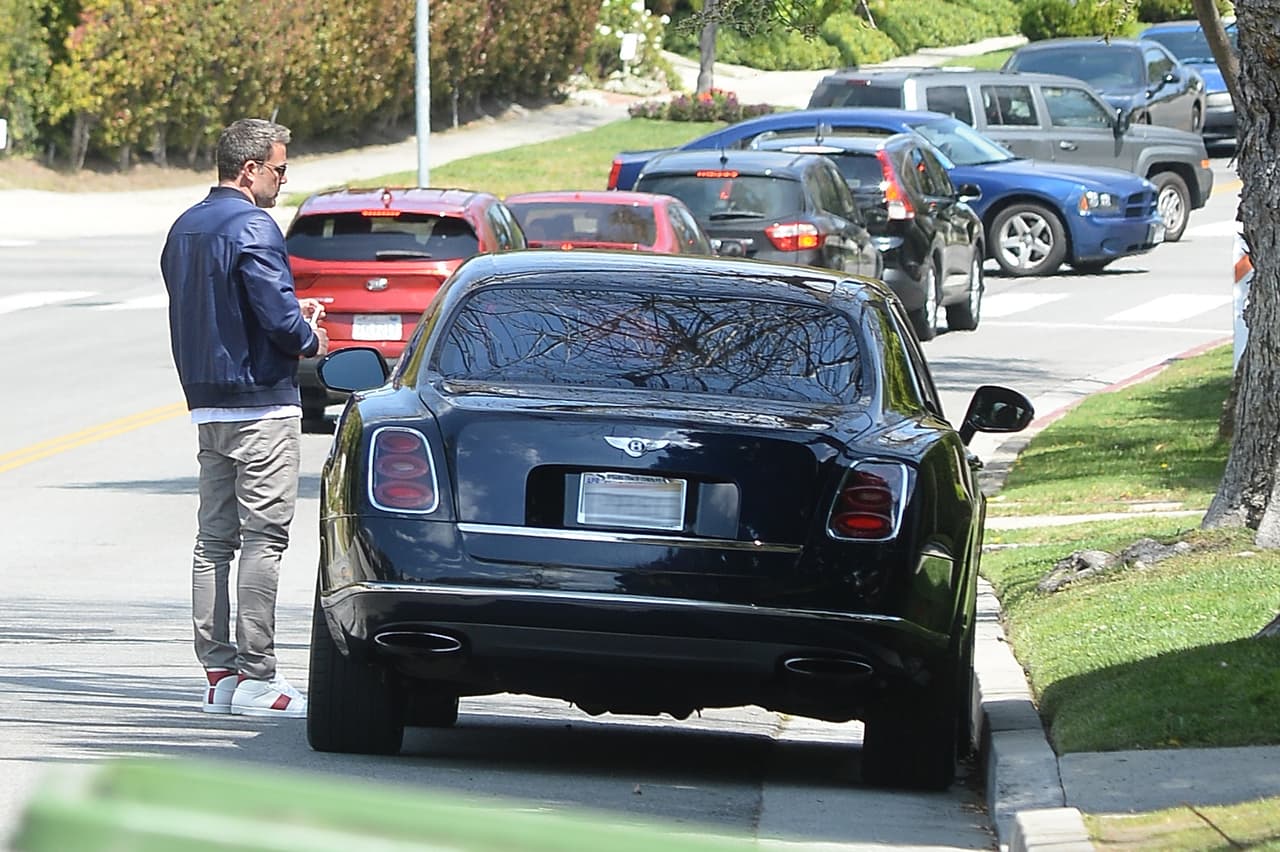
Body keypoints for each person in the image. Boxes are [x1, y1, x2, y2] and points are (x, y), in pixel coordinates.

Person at [160, 118, 328, 718]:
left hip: (207, 404)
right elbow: (281, 323)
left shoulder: (185, 227)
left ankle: (218, 674)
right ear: (249, 168)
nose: (284, 180)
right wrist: (312, 337)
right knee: (264, 540)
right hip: (262, 403)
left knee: (214, 542)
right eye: (280, 169)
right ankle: (259, 677)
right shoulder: (255, 225)